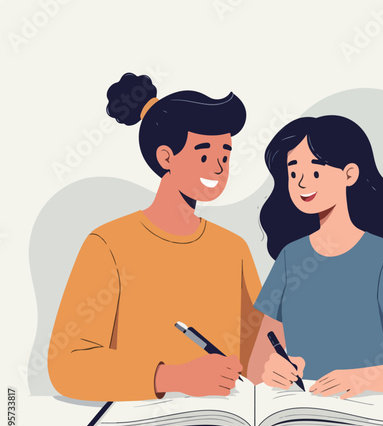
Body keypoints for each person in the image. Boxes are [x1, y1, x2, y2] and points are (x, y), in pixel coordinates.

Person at [48, 73, 262, 401]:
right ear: (166, 158)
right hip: (141, 425)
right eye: (204, 153)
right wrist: (172, 377)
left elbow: (256, 352)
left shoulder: (234, 248)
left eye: (226, 154)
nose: (219, 168)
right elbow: (67, 365)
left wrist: (277, 363)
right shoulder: (108, 245)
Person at [247, 115, 383, 398]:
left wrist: (362, 378)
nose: (302, 182)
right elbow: (256, 369)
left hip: (365, 418)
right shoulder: (290, 259)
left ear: (350, 174)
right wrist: (272, 371)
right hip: (298, 415)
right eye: (293, 172)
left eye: (315, 170)